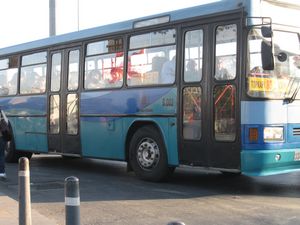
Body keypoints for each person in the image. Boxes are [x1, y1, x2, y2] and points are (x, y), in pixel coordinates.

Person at [0, 108, 10, 180]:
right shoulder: (2, 121)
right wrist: (2, 111)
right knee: (1, 156)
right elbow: (7, 121)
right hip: (1, 139)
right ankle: (2, 173)